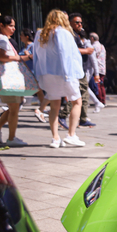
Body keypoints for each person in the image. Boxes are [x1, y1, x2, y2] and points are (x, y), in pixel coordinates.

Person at [34, 9, 85, 148]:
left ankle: (55, 138)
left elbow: (36, 55)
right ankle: (71, 135)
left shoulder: (40, 33)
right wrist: (70, 73)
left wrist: (38, 73)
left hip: (47, 74)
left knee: (54, 106)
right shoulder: (63, 33)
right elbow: (67, 55)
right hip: (64, 72)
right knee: (77, 102)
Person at [58, 12, 96, 129]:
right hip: (74, 69)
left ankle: (83, 118)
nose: (80, 24)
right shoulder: (69, 34)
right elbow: (70, 50)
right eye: (77, 22)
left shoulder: (76, 35)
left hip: (80, 68)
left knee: (83, 93)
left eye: (80, 22)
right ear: (70, 23)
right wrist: (86, 51)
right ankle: (62, 115)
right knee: (76, 94)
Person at [0, 15, 27, 146]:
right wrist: (18, 58)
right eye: (10, 25)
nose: (13, 28)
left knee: (13, 107)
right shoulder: (2, 38)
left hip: (4, 78)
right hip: (7, 78)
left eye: (14, 25)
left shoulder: (1, 38)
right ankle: (11, 138)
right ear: (1, 26)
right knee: (14, 109)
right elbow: (1, 56)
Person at [19, 27, 49, 123]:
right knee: (35, 90)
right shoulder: (24, 47)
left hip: (32, 72)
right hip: (25, 72)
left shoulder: (32, 46)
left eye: (22, 35)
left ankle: (42, 109)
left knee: (39, 91)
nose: (20, 37)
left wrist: (25, 56)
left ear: (27, 36)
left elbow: (34, 56)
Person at [79, 29, 104, 113]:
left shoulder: (88, 45)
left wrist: (96, 74)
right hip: (85, 69)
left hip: (88, 70)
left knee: (83, 87)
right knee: (84, 87)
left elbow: (94, 60)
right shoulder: (84, 44)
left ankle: (97, 103)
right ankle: (97, 103)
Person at [89, 32, 106, 105]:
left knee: (97, 85)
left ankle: (99, 101)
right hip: (102, 68)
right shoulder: (102, 46)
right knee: (101, 85)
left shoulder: (93, 46)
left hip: (96, 69)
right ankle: (103, 101)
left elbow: (92, 57)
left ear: (92, 38)